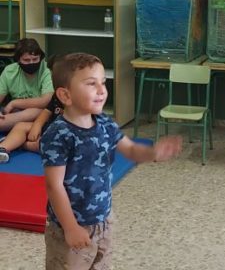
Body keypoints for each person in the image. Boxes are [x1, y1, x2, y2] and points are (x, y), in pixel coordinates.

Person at [40, 52, 182, 269]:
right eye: (91, 84)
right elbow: (54, 185)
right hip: (69, 226)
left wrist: (153, 153)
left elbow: (132, 150)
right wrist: (70, 228)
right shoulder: (59, 134)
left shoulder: (105, 123)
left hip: (103, 220)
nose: (101, 90)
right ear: (65, 95)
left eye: (103, 82)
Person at [0, 54, 63, 163]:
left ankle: (21, 144)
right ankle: (3, 147)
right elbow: (47, 111)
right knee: (21, 126)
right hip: (49, 127)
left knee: (47, 145)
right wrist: (37, 125)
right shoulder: (57, 94)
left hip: (61, 135)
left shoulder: (76, 97)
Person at [0, 38, 53, 131]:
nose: (31, 63)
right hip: (15, 112)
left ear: (40, 57)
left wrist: (14, 103)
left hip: (40, 112)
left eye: (35, 59)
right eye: (26, 60)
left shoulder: (46, 71)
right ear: (18, 60)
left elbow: (45, 101)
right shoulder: (9, 71)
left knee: (38, 111)